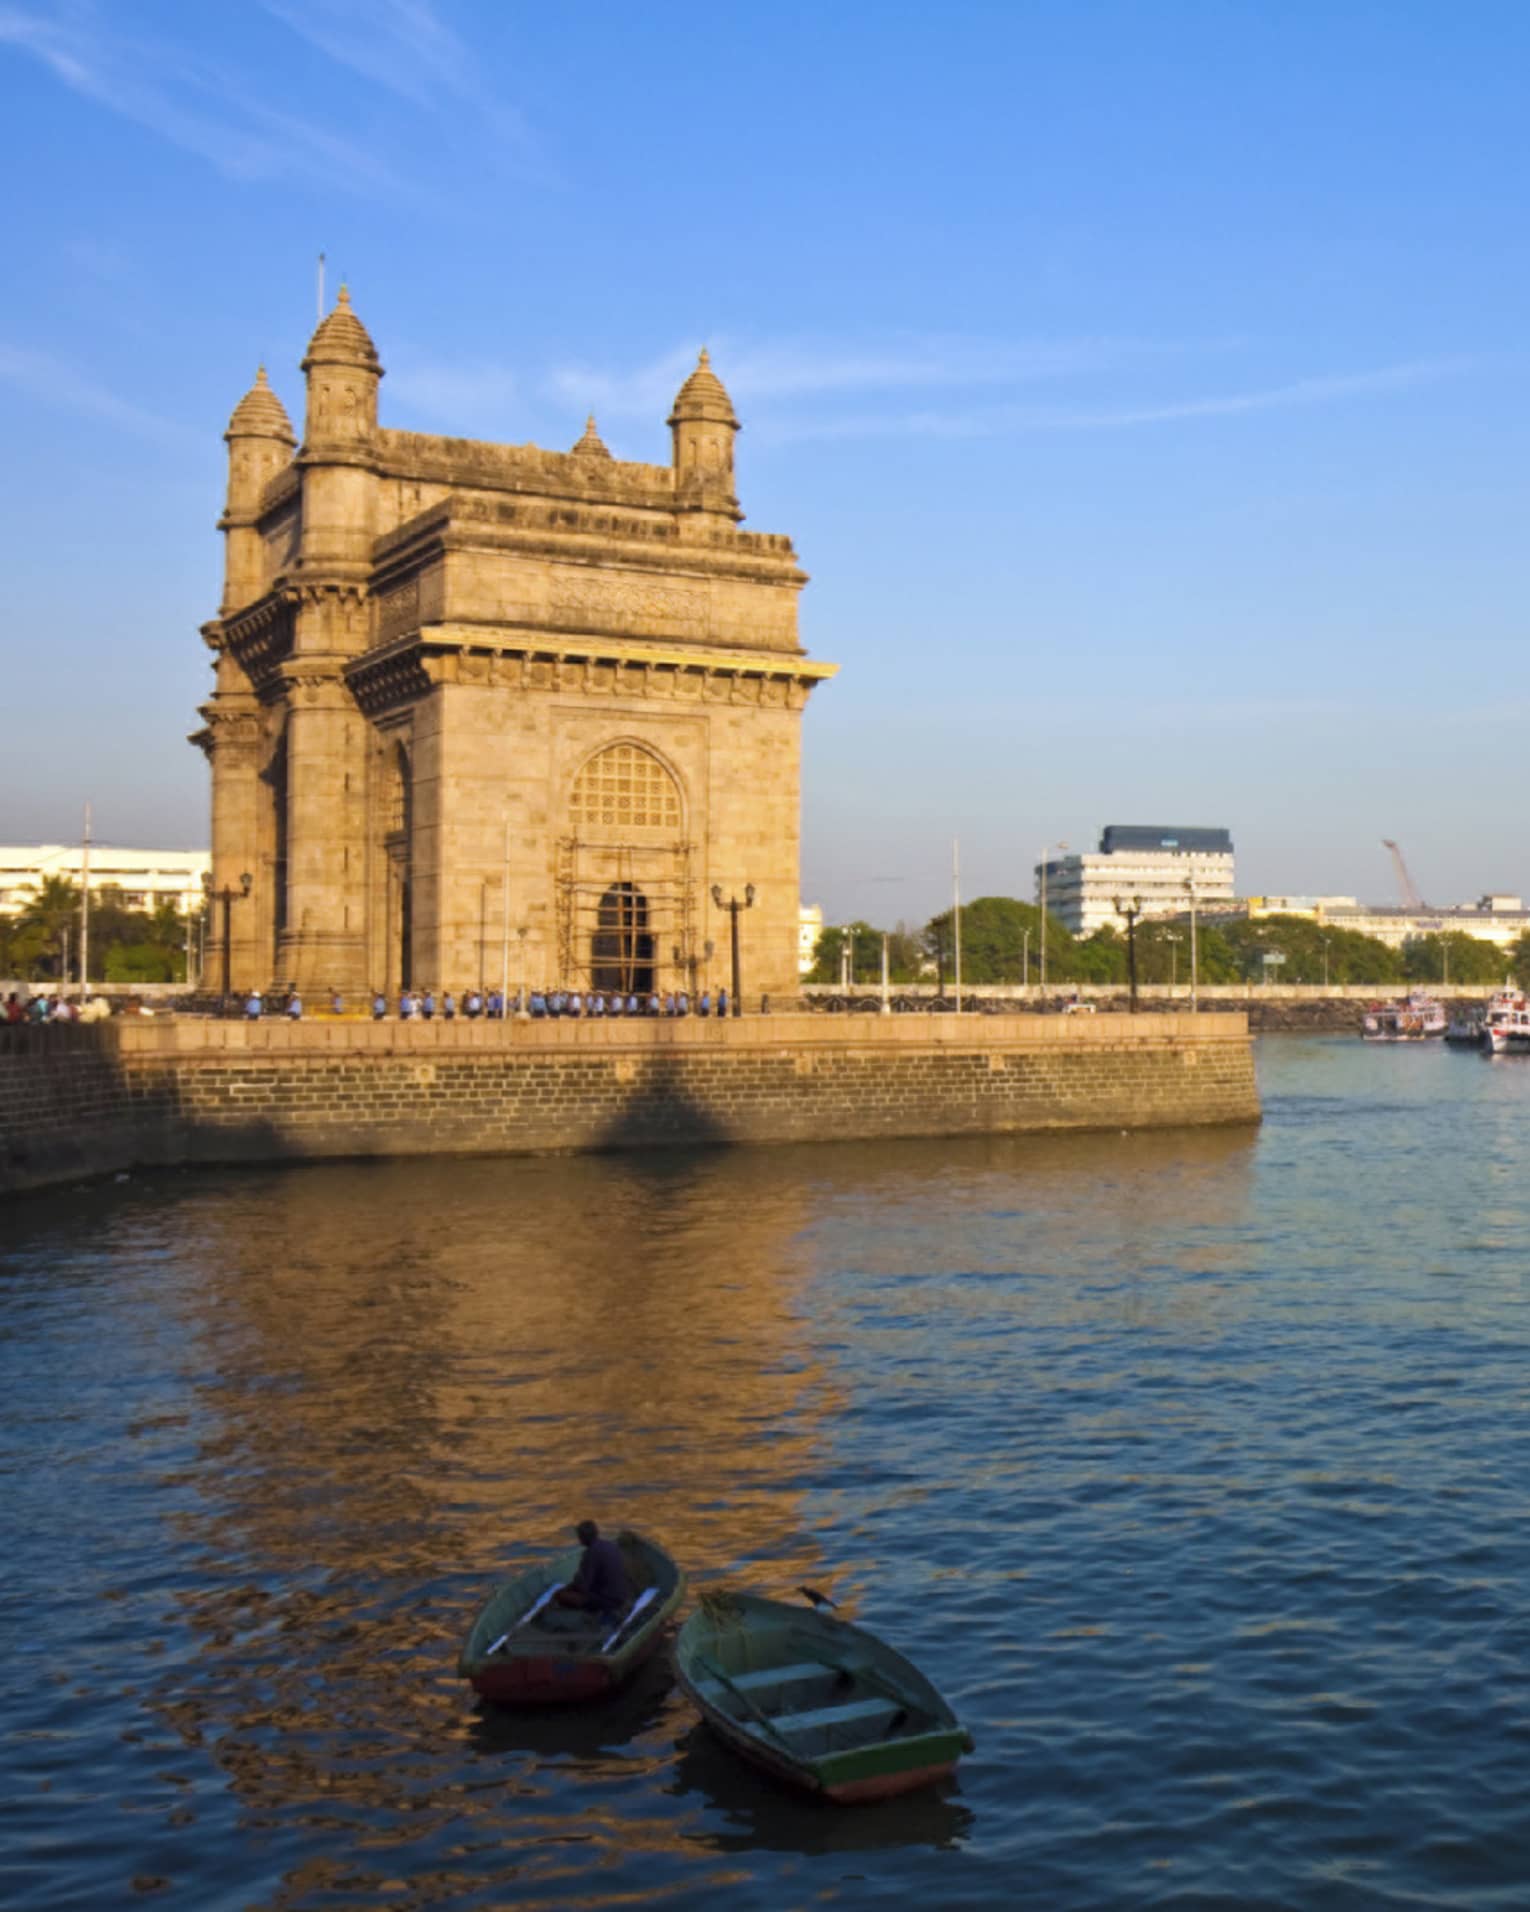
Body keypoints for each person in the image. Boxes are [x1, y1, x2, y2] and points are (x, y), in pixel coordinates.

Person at [552, 1520, 630, 1622]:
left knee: (560, 1596)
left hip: (608, 1601)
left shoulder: (590, 1554)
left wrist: (569, 1587)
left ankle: (595, 1614)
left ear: (582, 1538)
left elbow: (584, 1586)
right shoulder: (610, 1545)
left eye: (579, 1536)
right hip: (622, 1594)